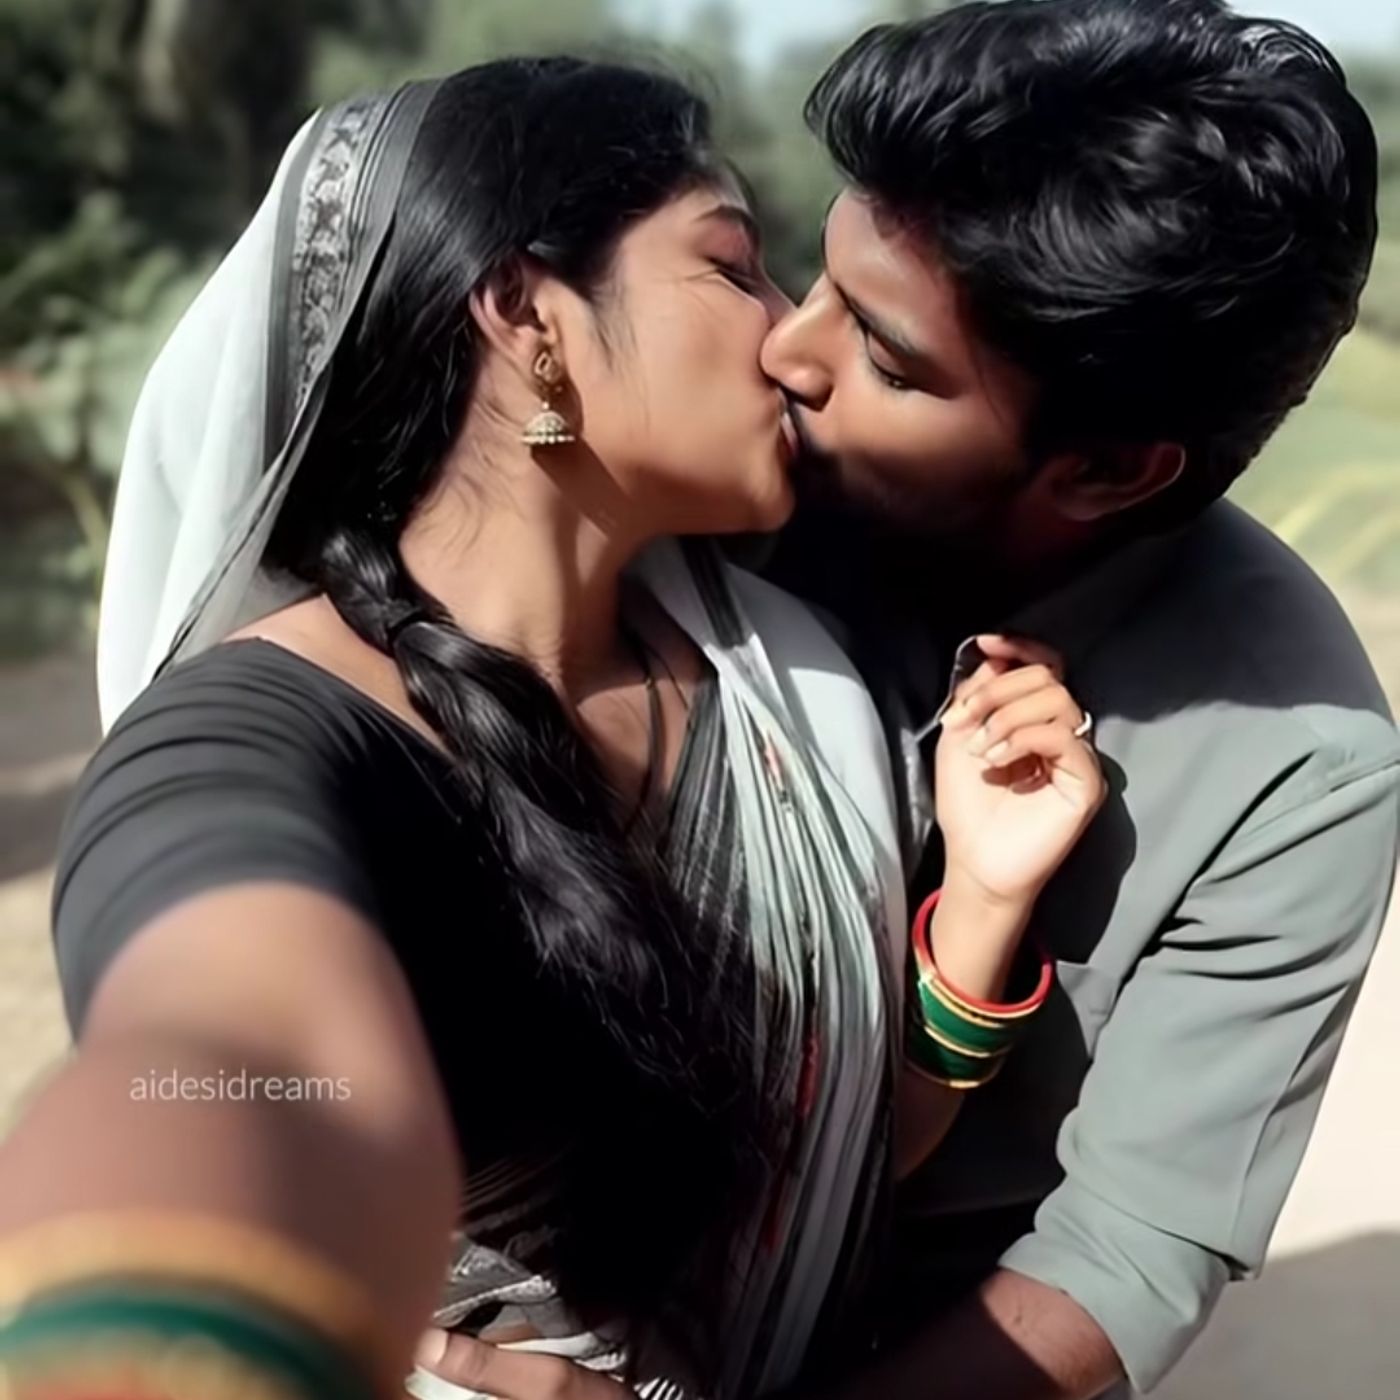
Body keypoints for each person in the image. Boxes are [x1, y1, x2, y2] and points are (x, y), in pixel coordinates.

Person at [0, 58, 1103, 1400]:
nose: (785, 338)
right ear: (529, 316)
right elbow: (209, 1055)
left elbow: (830, 1170)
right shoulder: (261, 739)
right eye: (733, 266)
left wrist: (981, 904)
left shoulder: (791, 692)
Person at [406, 4, 1399, 1399]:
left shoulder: (1295, 767)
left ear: (1107, 471)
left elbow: (1123, 1255)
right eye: (808, 275)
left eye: (885, 357)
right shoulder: (696, 501)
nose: (786, 352)